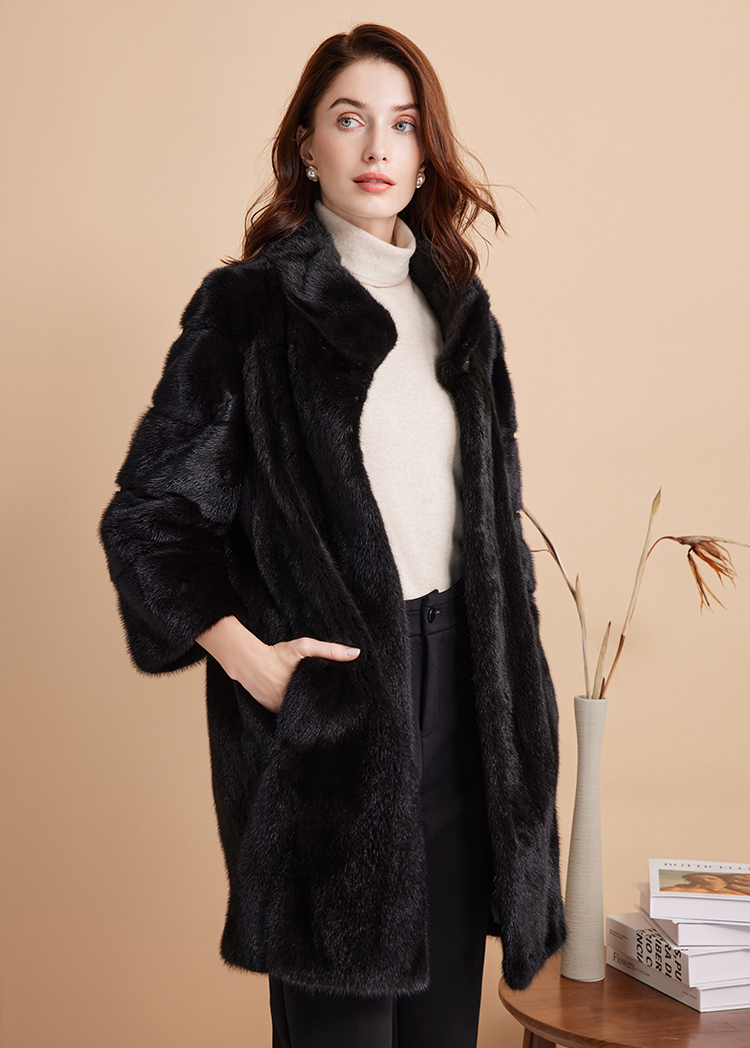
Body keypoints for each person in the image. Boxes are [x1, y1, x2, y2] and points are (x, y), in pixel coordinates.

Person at [100, 24, 565, 1048]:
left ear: (427, 154)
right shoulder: (250, 309)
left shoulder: (462, 315)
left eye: (403, 125)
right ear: (306, 144)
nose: (377, 147)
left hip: (470, 702)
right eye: (349, 120)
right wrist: (256, 665)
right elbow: (151, 520)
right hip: (339, 712)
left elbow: (493, 537)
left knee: (444, 1030)